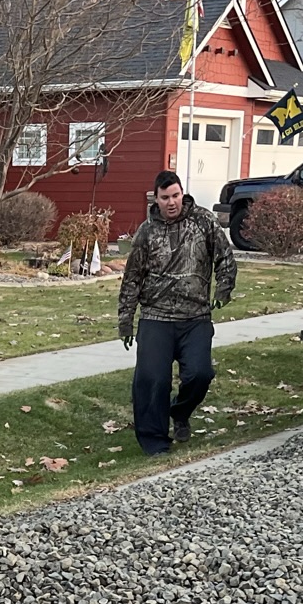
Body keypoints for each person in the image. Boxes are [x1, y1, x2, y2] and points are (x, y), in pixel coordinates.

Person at [117, 169, 238, 454]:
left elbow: (225, 257)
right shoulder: (147, 232)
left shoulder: (204, 221)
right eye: (165, 197)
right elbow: (132, 278)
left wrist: (223, 289)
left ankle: (180, 412)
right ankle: (154, 442)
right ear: (155, 199)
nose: (172, 202)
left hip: (195, 317)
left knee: (200, 374)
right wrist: (125, 321)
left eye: (176, 195)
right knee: (152, 380)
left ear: (182, 193)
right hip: (156, 318)